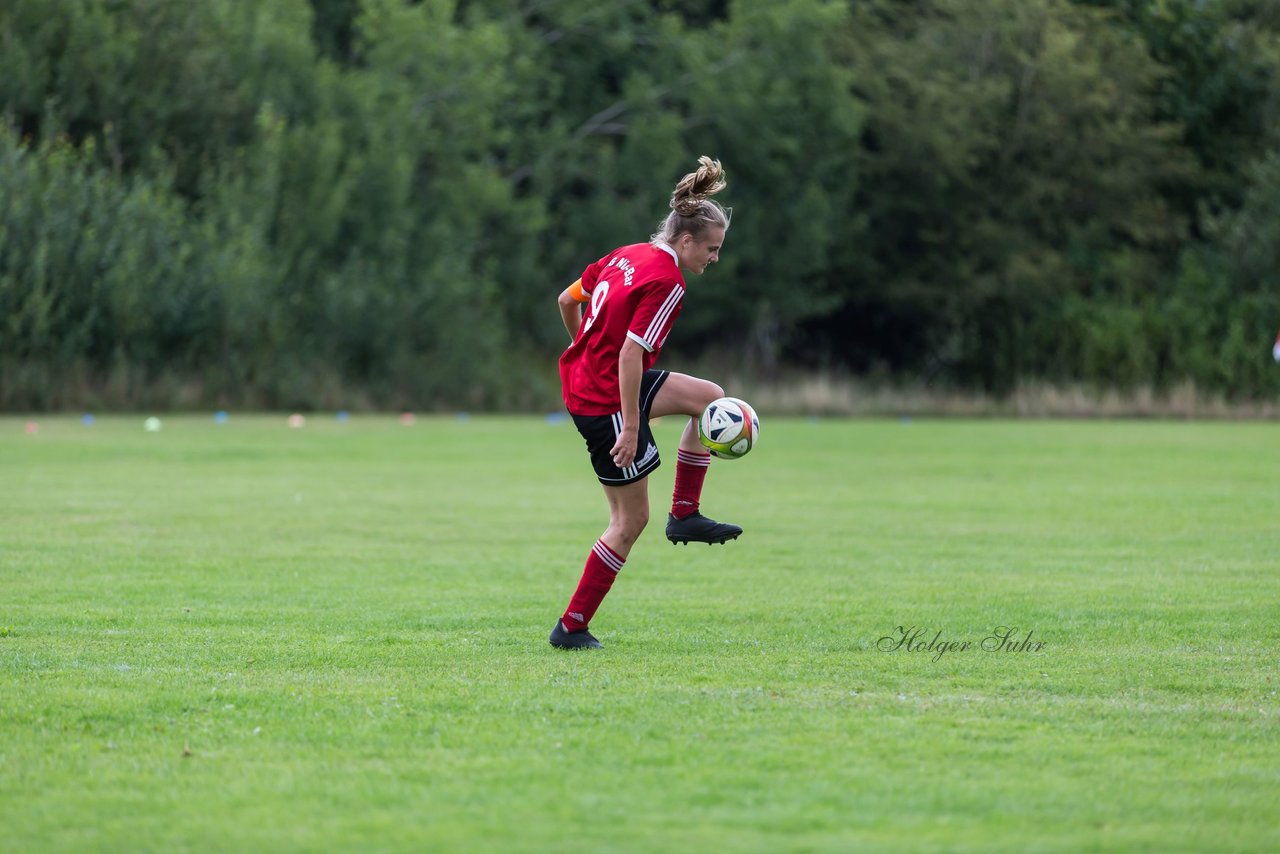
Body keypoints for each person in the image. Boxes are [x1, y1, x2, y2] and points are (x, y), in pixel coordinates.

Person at [548, 156, 743, 650]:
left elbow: (567, 301)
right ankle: (571, 627)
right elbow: (633, 352)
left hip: (598, 382)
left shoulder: (627, 254)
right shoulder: (668, 281)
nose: (714, 258)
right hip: (604, 400)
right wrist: (631, 427)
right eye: (712, 249)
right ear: (685, 241)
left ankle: (685, 512)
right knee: (629, 522)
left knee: (711, 399)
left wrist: (586, 351)